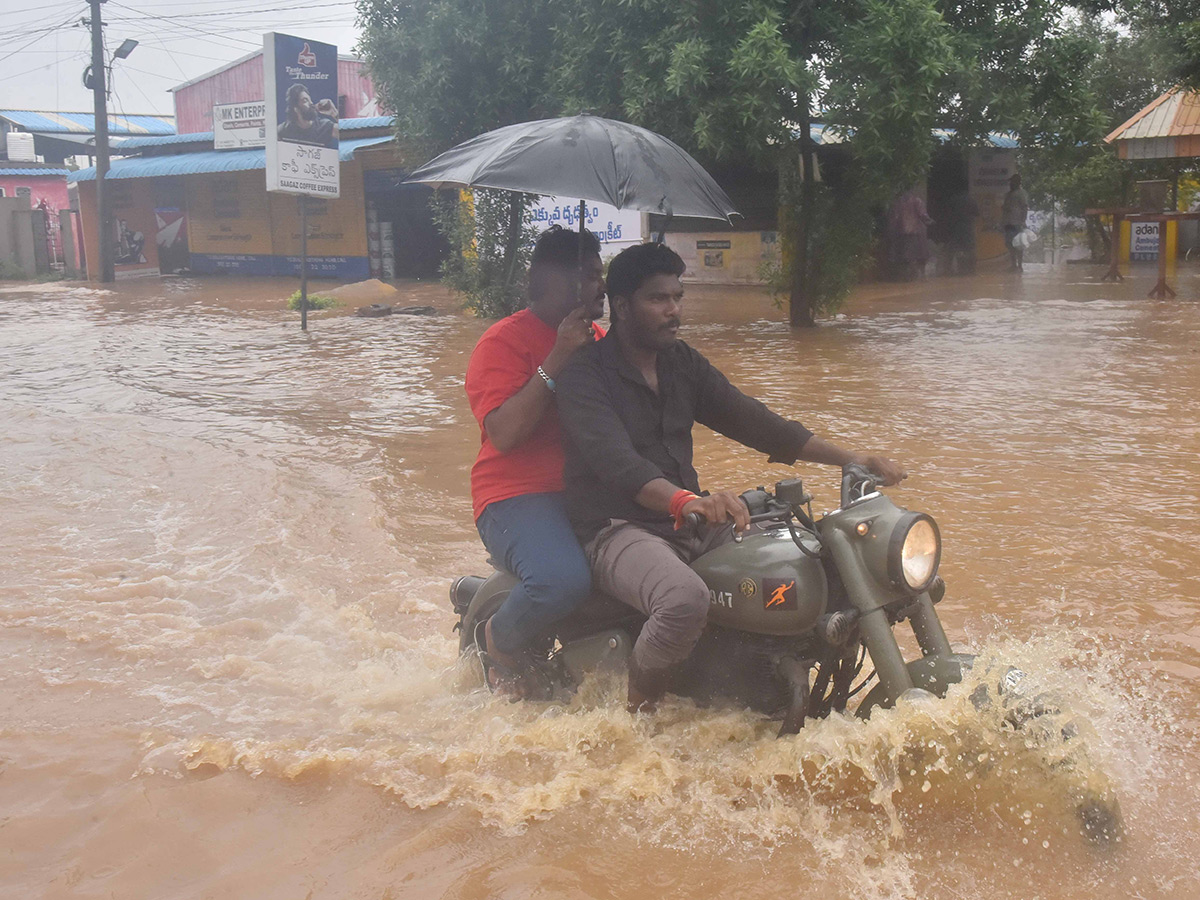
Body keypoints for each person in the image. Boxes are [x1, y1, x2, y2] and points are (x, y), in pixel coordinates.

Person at [556, 243, 906, 712]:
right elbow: (619, 466)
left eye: (677, 297)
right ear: (621, 307)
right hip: (615, 527)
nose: (674, 310)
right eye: (658, 299)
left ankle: (772, 687)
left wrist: (850, 458)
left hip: (684, 519)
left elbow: (758, 424)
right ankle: (637, 721)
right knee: (682, 599)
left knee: (809, 560)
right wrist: (686, 501)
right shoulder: (584, 376)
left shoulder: (681, 364)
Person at [465, 226, 607, 697]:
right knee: (559, 580)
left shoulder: (602, 341)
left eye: (601, 273)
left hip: (588, 487)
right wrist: (559, 355)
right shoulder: (502, 342)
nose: (600, 286)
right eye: (589, 276)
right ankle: (499, 639)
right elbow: (504, 434)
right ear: (555, 282)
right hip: (516, 495)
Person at [886, 186, 933, 280]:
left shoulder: (897, 202)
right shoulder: (916, 200)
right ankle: (921, 276)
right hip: (915, 231)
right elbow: (923, 215)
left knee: (905, 255)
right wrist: (930, 222)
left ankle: (905, 276)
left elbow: (894, 218)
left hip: (901, 232)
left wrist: (892, 230)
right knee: (920, 254)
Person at [277, 83, 339, 148]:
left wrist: (334, 113)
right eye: (305, 100)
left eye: (310, 99)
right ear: (295, 108)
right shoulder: (283, 130)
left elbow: (345, 133)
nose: (311, 103)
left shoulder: (325, 126)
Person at [1002, 173, 1030, 271]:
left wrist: (1023, 221)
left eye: (1012, 182)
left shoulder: (1021, 193)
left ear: (1017, 183)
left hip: (1017, 223)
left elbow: (1024, 208)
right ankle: (1013, 265)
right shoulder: (1009, 194)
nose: (1010, 184)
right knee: (1010, 244)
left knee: (1018, 244)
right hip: (1008, 222)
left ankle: (1020, 265)